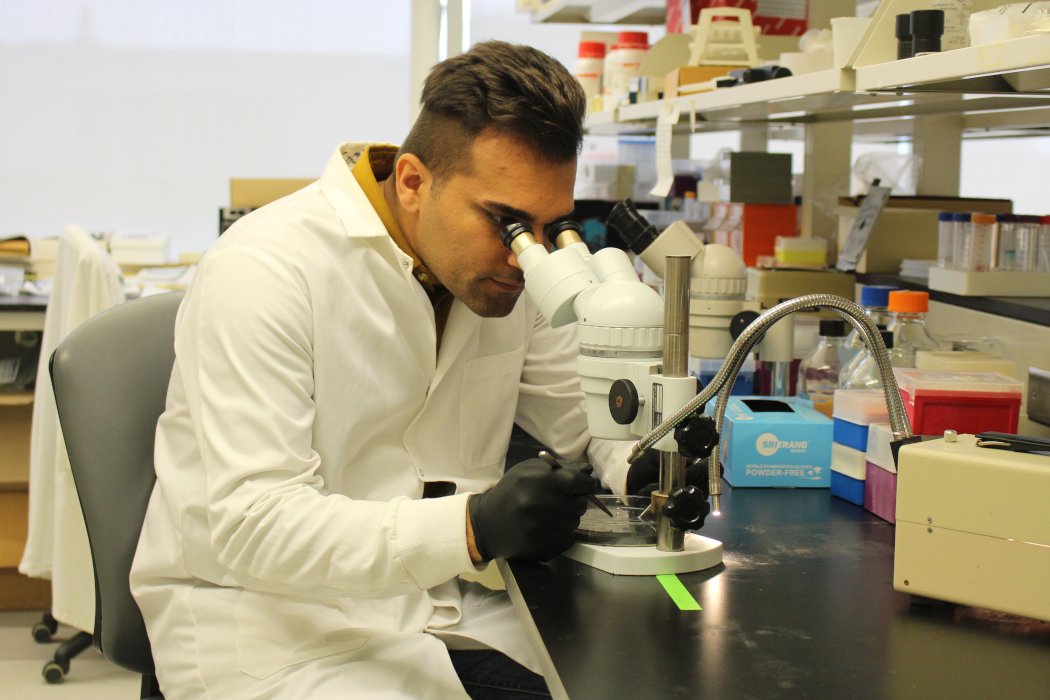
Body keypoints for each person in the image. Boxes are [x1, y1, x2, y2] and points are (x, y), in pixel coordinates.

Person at [130, 41, 639, 700]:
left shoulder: (509, 272)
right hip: (271, 625)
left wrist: (637, 461)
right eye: (506, 223)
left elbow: (584, 424)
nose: (528, 255)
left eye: (545, 227)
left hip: (439, 610)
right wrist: (472, 527)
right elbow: (252, 525)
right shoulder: (264, 271)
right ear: (413, 182)